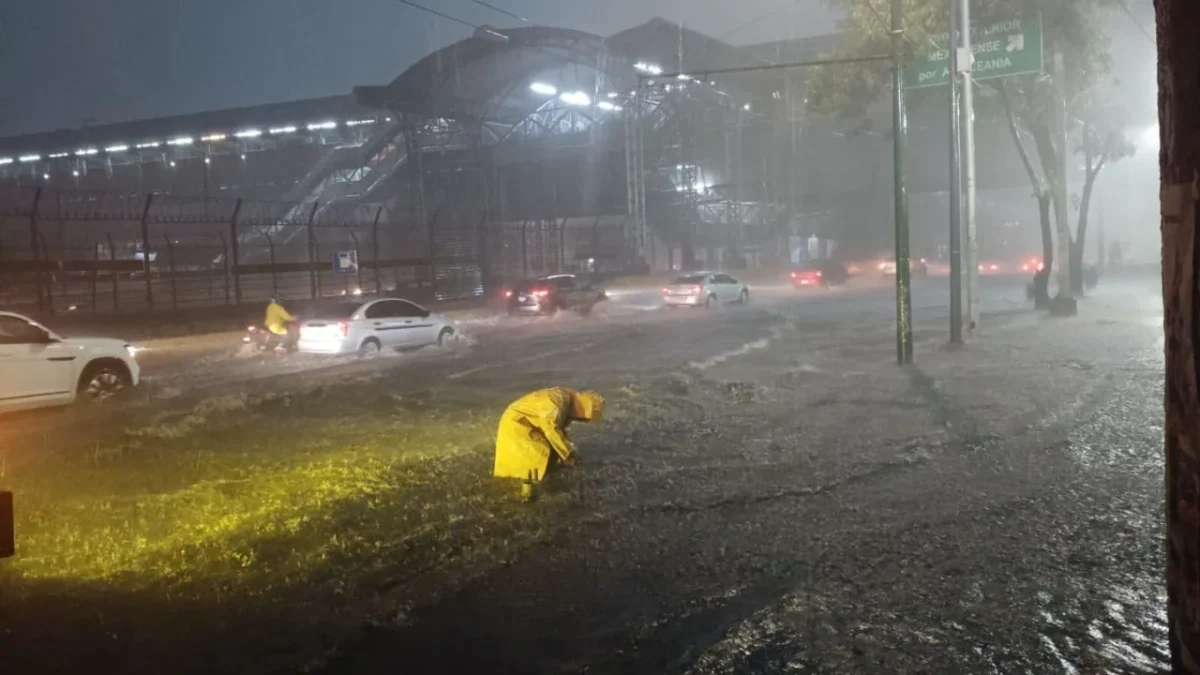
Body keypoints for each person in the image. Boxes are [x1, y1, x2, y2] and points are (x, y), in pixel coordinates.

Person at [493, 388, 604, 481]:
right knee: (530, 467)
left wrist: (566, 452)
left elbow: (556, 431)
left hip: (525, 422)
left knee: (544, 461)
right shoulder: (557, 401)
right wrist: (568, 454)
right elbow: (551, 429)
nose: (583, 421)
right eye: (584, 418)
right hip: (518, 424)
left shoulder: (565, 401)